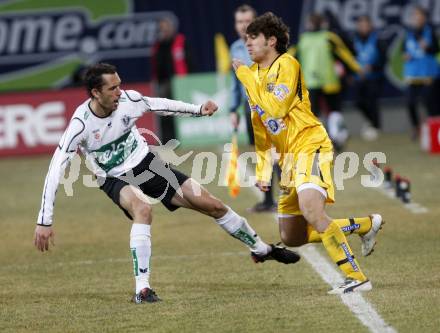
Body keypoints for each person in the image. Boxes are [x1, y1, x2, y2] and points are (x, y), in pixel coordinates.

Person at [34, 63, 300, 304]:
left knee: (213, 205)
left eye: (120, 85)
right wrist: (44, 221)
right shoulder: (80, 125)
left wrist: (198, 110)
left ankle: (262, 249)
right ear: (95, 93)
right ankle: (143, 289)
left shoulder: (129, 100)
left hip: (146, 164)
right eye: (112, 88)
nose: (120, 92)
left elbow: (158, 104)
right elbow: (55, 168)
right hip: (112, 177)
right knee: (143, 210)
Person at [233, 12, 384, 294]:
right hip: (288, 158)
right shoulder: (254, 76)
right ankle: (365, 225)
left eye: (253, 38)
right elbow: (261, 127)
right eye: (246, 40)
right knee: (292, 236)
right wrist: (264, 170)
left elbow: (276, 108)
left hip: (309, 144)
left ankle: (356, 277)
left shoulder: (287, 65)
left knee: (312, 210)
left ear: (272, 41)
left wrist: (243, 75)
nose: (247, 44)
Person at [229, 4, 280, 212]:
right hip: (249, 108)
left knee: (277, 153)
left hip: (268, 106)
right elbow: (235, 83)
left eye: (247, 21)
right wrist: (234, 109)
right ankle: (268, 201)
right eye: (239, 22)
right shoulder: (234, 48)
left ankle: (290, 198)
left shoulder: (265, 44)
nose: (243, 26)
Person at [295, 13, 361, 151]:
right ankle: (337, 138)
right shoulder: (329, 38)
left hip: (310, 83)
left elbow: (291, 56)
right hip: (329, 81)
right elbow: (344, 54)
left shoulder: (303, 40)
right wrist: (357, 69)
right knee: (334, 110)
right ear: (323, 24)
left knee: (314, 114)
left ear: (309, 24)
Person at [401, 5, 439, 140]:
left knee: (430, 102)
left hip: (428, 73)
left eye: (419, 15)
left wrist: (427, 46)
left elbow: (436, 50)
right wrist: (405, 55)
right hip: (413, 74)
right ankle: (416, 127)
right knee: (410, 102)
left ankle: (434, 131)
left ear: (424, 17)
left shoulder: (430, 31)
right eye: (414, 15)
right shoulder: (408, 33)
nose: (417, 18)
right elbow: (402, 51)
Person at [151, 17, 192, 143]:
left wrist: (189, 80)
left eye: (166, 28)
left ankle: (182, 138)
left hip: (180, 83)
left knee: (180, 112)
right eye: (162, 29)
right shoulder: (158, 45)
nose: (164, 31)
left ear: (172, 28)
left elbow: (189, 61)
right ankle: (168, 140)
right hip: (164, 84)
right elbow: (155, 65)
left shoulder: (181, 41)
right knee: (165, 113)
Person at [352, 15, 386, 141]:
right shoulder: (354, 40)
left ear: (370, 25)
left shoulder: (377, 39)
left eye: (365, 24)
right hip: (359, 77)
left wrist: (373, 67)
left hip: (375, 77)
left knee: (372, 101)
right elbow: (350, 57)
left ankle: (376, 126)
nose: (363, 27)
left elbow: (384, 58)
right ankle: (371, 121)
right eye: (360, 25)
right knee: (357, 101)